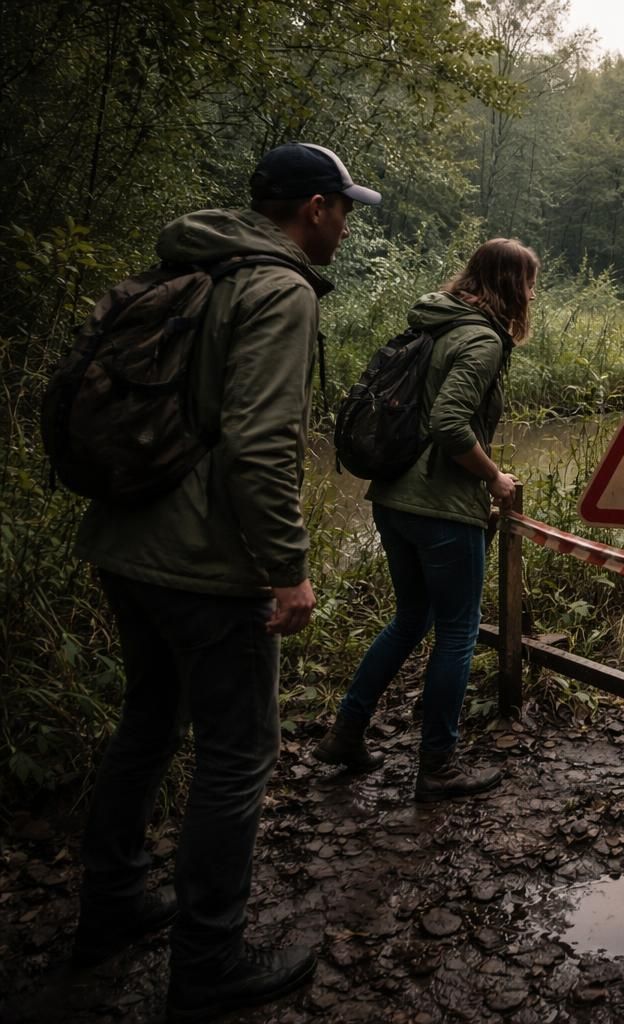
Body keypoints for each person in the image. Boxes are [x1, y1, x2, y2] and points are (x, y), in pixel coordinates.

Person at [70, 144, 379, 1018]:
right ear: (313, 208)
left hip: (126, 540)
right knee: (238, 755)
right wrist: (287, 570)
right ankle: (207, 961)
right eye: (344, 209)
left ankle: (112, 904)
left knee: (147, 723)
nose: (348, 226)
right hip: (203, 564)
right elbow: (260, 444)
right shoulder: (277, 288)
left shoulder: (193, 265)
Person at [313, 238, 538, 802]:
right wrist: (494, 477)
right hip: (441, 508)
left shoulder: (435, 322)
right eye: (530, 283)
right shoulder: (481, 339)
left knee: (411, 617)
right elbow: (449, 423)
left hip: (393, 497)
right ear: (511, 285)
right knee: (458, 631)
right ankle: (437, 764)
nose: (533, 295)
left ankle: (346, 733)